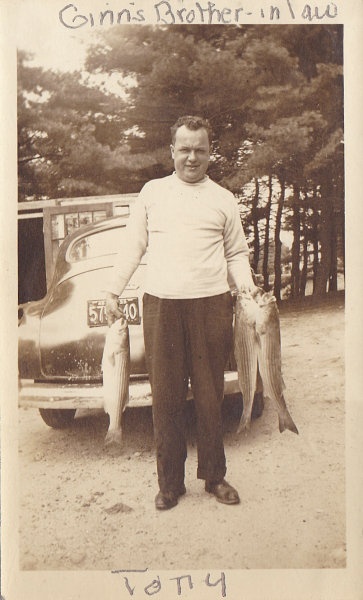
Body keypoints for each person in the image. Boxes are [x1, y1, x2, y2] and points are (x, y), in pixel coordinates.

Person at [105, 115, 255, 510]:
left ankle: (214, 477)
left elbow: (236, 254)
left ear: (211, 153)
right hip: (161, 306)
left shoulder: (223, 199)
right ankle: (170, 483)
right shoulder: (152, 193)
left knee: (210, 396)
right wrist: (111, 291)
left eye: (200, 150)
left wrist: (247, 285)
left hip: (211, 305)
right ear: (172, 151)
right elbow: (131, 248)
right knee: (167, 398)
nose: (192, 157)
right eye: (184, 149)